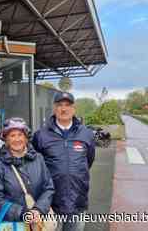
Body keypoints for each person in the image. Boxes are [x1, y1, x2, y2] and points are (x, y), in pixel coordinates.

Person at [32, 92, 95, 231]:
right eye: (60, 105)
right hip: (49, 203)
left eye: (68, 105)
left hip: (77, 200)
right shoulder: (41, 135)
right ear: (54, 108)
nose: (64, 109)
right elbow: (35, 166)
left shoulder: (86, 134)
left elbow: (88, 161)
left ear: (74, 109)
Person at [0, 117, 54, 225]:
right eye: (12, 135)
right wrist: (22, 213)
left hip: (38, 222)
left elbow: (48, 188)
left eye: (20, 135)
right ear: (6, 139)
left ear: (26, 137)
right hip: (11, 224)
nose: (17, 139)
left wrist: (38, 210)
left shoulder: (39, 159)